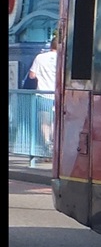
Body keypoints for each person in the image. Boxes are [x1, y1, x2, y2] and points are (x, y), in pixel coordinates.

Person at [28, 32, 59, 163]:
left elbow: (32, 76)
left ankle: (47, 148)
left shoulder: (40, 57)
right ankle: (56, 149)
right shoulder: (63, 58)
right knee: (56, 123)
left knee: (45, 123)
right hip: (58, 95)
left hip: (43, 95)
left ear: (51, 45)